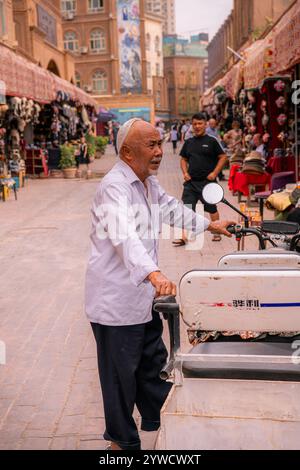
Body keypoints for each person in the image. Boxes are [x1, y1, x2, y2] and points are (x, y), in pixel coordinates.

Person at [85, 118, 234, 451]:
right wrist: (153, 273)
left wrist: (211, 226)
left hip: (142, 298)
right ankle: (121, 445)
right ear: (126, 152)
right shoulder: (114, 186)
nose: (158, 152)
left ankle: (163, 426)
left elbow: (171, 210)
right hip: (116, 303)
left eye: (158, 143)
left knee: (152, 370)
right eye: (150, 145)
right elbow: (124, 236)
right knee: (120, 381)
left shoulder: (147, 183)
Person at [173, 113, 228, 246]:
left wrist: (215, 173)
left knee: (211, 208)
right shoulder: (189, 142)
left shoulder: (212, 141)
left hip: (207, 183)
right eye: (195, 124)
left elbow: (223, 157)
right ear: (192, 125)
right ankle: (184, 237)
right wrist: (185, 173)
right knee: (186, 209)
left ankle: (216, 232)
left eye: (200, 123)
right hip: (191, 183)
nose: (197, 126)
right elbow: (183, 159)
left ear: (205, 124)